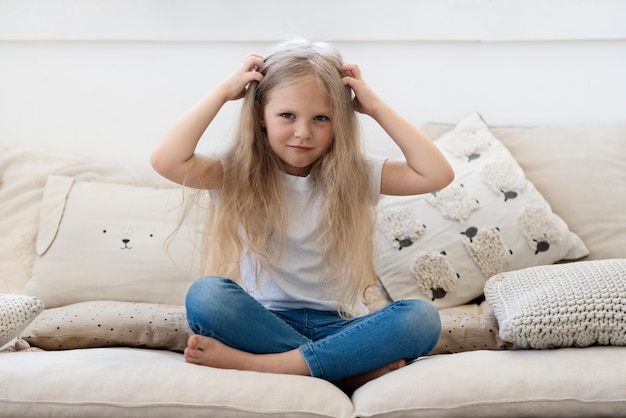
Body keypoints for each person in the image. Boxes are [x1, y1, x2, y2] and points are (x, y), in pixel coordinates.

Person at [151, 39, 454, 390]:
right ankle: (344, 370)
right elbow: (166, 160)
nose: (303, 132)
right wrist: (222, 92)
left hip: (339, 325)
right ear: (260, 114)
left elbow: (437, 174)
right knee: (206, 296)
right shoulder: (237, 171)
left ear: (339, 121)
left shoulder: (355, 175)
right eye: (287, 116)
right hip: (264, 322)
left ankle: (264, 366)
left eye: (321, 118)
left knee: (420, 319)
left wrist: (376, 107)